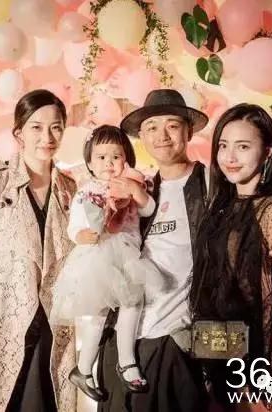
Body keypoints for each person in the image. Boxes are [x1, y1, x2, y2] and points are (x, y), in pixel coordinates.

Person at [97, 89, 272, 412]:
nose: (162, 136)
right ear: (141, 137)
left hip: (179, 344)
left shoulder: (216, 185)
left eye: (172, 126)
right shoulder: (139, 190)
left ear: (189, 131)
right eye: (151, 127)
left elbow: (250, 252)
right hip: (122, 344)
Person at [0, 89, 77, 411]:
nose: (47, 137)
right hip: (0, 324)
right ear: (19, 132)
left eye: (56, 127)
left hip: (53, 328)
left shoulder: (69, 189)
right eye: (36, 127)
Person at [191, 103, 272, 411]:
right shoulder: (222, 206)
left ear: (267, 152)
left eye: (243, 147)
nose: (230, 157)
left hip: (251, 359)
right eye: (223, 146)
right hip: (216, 347)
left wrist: (263, 381)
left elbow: (271, 303)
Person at [50, 125, 164, 401]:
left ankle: (126, 360)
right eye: (101, 157)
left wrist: (136, 191)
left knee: (133, 304)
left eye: (116, 156)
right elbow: (74, 225)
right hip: (99, 256)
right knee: (98, 314)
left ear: (127, 160)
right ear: (90, 163)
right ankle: (84, 368)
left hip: (128, 256)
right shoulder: (86, 191)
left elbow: (149, 209)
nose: (109, 163)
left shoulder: (131, 186)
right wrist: (80, 235)